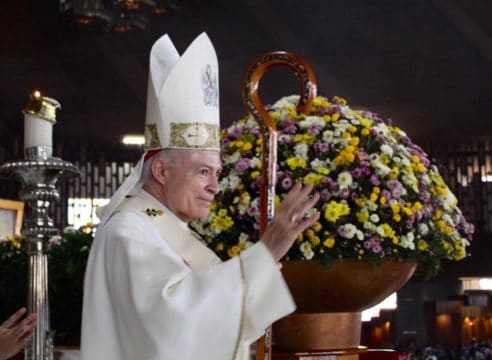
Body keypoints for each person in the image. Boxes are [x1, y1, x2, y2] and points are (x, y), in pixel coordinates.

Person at [81, 32, 319, 360]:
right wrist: (262, 255)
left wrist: (262, 269)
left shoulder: (166, 228)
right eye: (202, 171)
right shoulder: (128, 231)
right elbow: (175, 327)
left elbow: (213, 325)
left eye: (216, 173)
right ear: (162, 171)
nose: (215, 186)